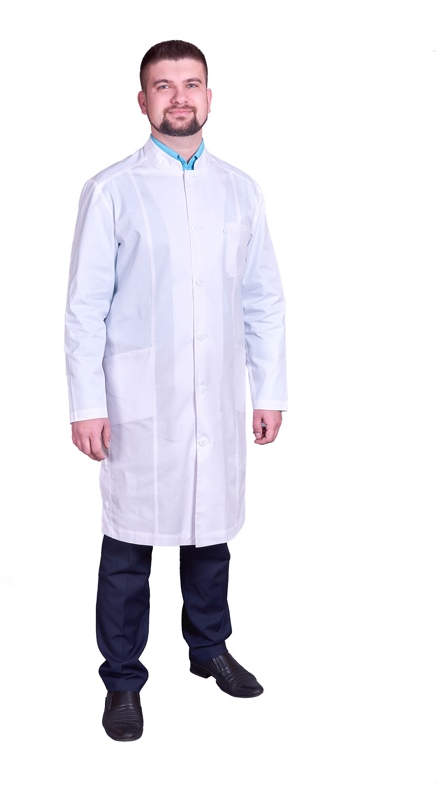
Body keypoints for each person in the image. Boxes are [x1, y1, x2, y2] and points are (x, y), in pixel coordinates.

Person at [64, 39, 287, 742]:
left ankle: (209, 647)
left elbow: (263, 298)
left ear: (210, 96)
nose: (180, 97)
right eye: (164, 86)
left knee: (210, 534)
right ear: (143, 101)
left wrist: (269, 388)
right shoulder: (112, 190)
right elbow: (84, 307)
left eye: (191, 83)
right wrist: (86, 403)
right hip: (136, 401)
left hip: (216, 395)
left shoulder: (240, 191)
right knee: (128, 549)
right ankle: (122, 681)